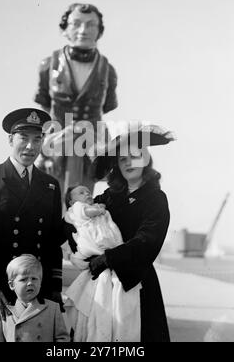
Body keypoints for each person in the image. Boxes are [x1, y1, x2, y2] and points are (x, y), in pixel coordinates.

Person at [0, 108, 64, 342]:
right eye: (23, 138)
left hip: (34, 290)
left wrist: (54, 287)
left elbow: (52, 240)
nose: (30, 147)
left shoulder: (50, 185)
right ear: (10, 139)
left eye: (37, 139)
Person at [64, 124, 175, 342]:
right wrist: (85, 251)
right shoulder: (109, 197)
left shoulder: (155, 198)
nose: (128, 163)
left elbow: (148, 240)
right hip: (100, 282)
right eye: (122, 159)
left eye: (134, 156)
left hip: (135, 280)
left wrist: (110, 258)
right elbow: (75, 222)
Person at [34, 3, 118, 196]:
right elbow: (44, 107)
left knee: (83, 199)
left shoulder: (108, 71)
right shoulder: (48, 66)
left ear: (99, 31)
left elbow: (106, 106)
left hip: (91, 145)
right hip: (57, 144)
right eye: (76, 23)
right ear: (64, 29)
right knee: (53, 199)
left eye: (90, 25)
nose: (83, 30)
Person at [63, 185, 141, 342]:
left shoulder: (95, 208)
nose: (87, 194)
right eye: (81, 192)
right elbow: (88, 212)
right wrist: (100, 209)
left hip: (108, 252)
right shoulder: (78, 209)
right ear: (72, 201)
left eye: (88, 192)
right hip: (94, 248)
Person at [0, 254, 69, 342]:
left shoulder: (53, 308)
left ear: (40, 282)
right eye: (23, 279)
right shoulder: (5, 311)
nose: (30, 283)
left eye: (34, 278)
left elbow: (62, 338)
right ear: (11, 285)